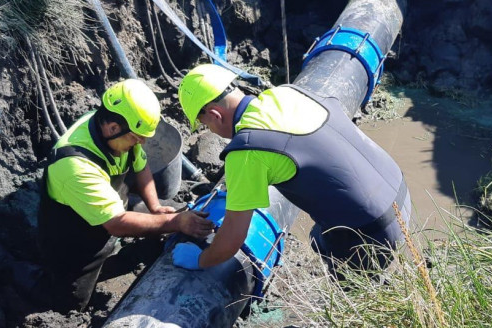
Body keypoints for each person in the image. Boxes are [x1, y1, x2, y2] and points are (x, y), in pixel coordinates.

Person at [171, 64, 411, 276]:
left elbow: (231, 240)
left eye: (205, 125)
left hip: (373, 233)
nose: (210, 131)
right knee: (320, 237)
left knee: (350, 285)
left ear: (215, 115)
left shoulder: (246, 151)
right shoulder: (286, 93)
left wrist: (201, 260)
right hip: (399, 194)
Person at [37, 79, 213, 312]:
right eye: (137, 138)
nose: (141, 143)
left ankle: (121, 252)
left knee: (170, 214)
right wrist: (174, 222)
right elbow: (117, 223)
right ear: (112, 128)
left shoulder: (120, 130)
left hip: (112, 210)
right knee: (71, 305)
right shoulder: (75, 165)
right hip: (75, 241)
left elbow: (140, 167)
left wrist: (155, 208)